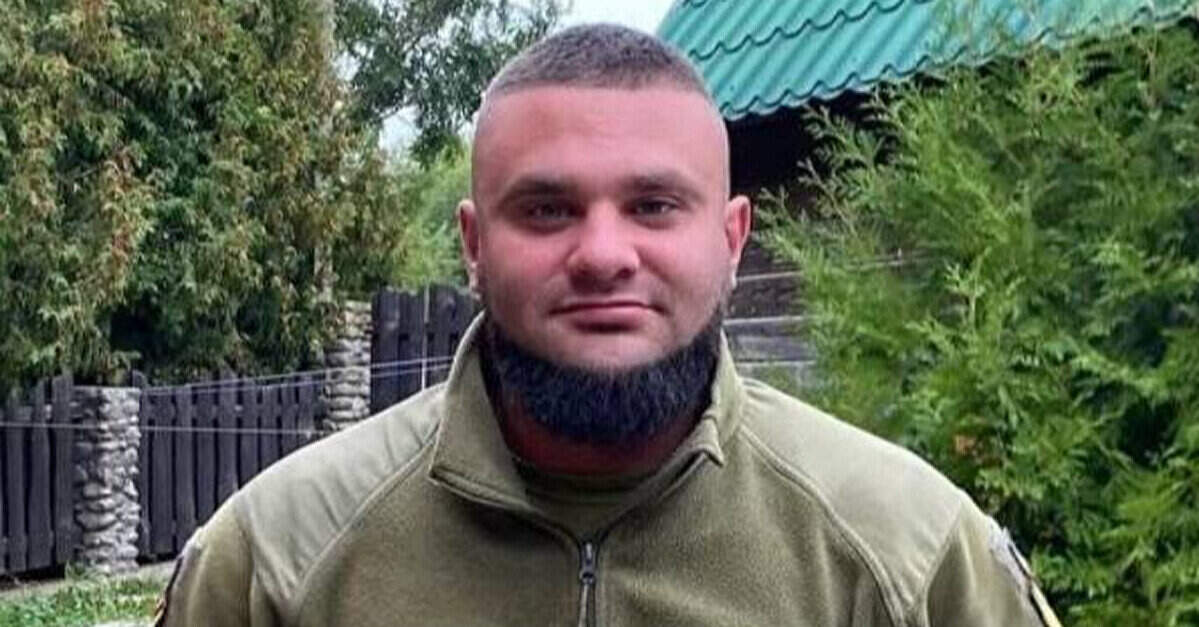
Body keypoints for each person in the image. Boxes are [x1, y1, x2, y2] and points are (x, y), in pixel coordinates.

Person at [155, 24, 1060, 627]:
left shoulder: (906, 556)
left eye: (654, 205)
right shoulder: (280, 558)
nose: (601, 254)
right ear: (474, 245)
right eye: (546, 209)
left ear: (731, 239)